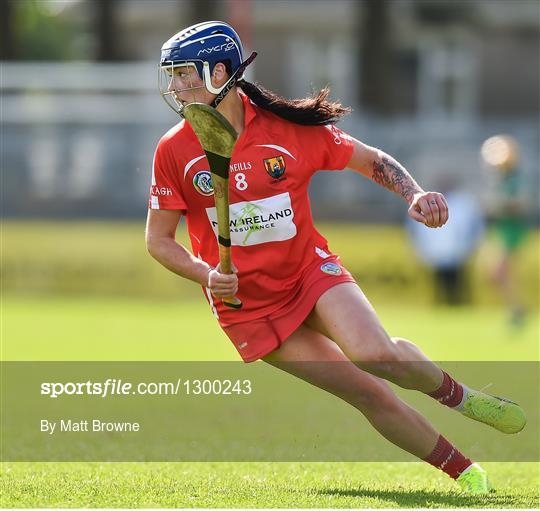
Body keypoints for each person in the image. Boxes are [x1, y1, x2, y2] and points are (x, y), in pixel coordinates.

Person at [146, 21, 526, 494]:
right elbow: (158, 241)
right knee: (366, 392)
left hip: (309, 271)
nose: (175, 86)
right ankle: (468, 475)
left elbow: (371, 160)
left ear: (220, 71)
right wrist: (205, 273)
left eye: (185, 73)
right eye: (172, 75)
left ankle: (461, 398)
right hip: (248, 308)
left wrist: (413, 193)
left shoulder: (286, 131)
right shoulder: (174, 149)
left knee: (375, 353)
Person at [407, 177, 484, 305]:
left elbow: (474, 227)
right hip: (436, 253)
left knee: (459, 288)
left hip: (458, 253)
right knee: (439, 289)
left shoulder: (463, 203)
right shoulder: (429, 203)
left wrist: (470, 247)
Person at [481, 135, 529, 327]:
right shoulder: (502, 178)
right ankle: (516, 307)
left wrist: (499, 204)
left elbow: (522, 202)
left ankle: (518, 309)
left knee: (499, 272)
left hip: (512, 230)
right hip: (502, 230)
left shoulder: (515, 177)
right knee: (496, 273)